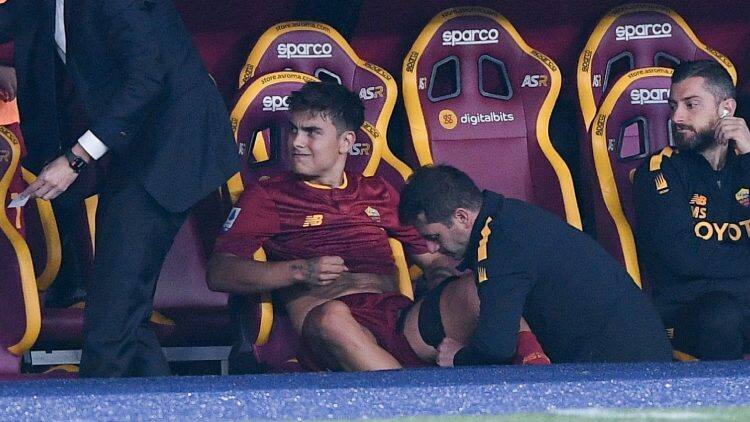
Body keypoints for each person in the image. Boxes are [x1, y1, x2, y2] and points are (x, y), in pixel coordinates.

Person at [207, 82, 547, 371]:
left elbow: (431, 257)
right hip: (328, 328)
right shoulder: (267, 194)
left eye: (312, 132)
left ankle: (538, 372)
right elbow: (219, 273)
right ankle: (418, 404)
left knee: (487, 283)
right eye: (293, 129)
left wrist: (441, 277)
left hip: (399, 321)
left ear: (345, 142)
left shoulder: (378, 190)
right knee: (332, 317)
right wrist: (299, 271)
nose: (296, 142)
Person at [0, 0, 239, 377]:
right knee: (124, 313)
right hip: (133, 151)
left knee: (110, 322)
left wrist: (76, 158)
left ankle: (95, 405)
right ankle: (169, 404)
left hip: (170, 144)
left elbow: (146, 80)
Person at [399, 164, 673, 366]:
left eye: (434, 237)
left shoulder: (499, 243)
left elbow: (496, 347)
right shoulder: (509, 216)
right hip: (640, 354)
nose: (431, 249)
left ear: (461, 217)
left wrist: (458, 356)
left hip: (623, 369)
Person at [633, 60, 750, 360]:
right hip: (689, 310)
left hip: (742, 299)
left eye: (691, 105)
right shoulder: (659, 170)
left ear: (726, 109)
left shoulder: (745, 163)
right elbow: (683, 256)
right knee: (722, 318)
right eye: (673, 106)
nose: (677, 117)